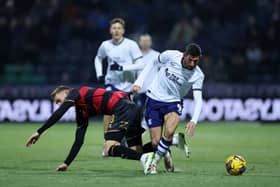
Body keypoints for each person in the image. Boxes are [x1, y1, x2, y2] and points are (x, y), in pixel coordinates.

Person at [26, 85, 154, 174]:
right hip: (132, 108)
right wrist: (67, 163)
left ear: (66, 92)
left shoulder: (74, 92)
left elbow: (59, 113)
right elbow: (79, 140)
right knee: (134, 150)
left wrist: (39, 132)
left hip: (122, 108)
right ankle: (166, 142)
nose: (59, 104)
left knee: (109, 148)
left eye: (58, 100)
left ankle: (144, 158)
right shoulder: (81, 111)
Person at [132, 43, 204, 174]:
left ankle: (154, 163)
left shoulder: (198, 75)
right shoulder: (171, 55)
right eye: (190, 60)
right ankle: (175, 140)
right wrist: (139, 82)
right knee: (155, 143)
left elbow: (198, 99)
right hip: (153, 98)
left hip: (173, 103)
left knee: (169, 130)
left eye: (196, 61)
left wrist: (194, 120)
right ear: (184, 55)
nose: (192, 64)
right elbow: (152, 62)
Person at [94, 18, 145, 141]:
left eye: (119, 28)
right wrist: (99, 74)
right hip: (111, 83)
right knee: (108, 111)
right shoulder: (105, 45)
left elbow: (141, 64)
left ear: (123, 31)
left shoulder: (131, 45)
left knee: (127, 115)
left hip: (128, 85)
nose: (116, 31)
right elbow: (98, 58)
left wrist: (123, 67)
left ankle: (124, 139)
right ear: (110, 30)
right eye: (114, 28)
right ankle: (107, 141)